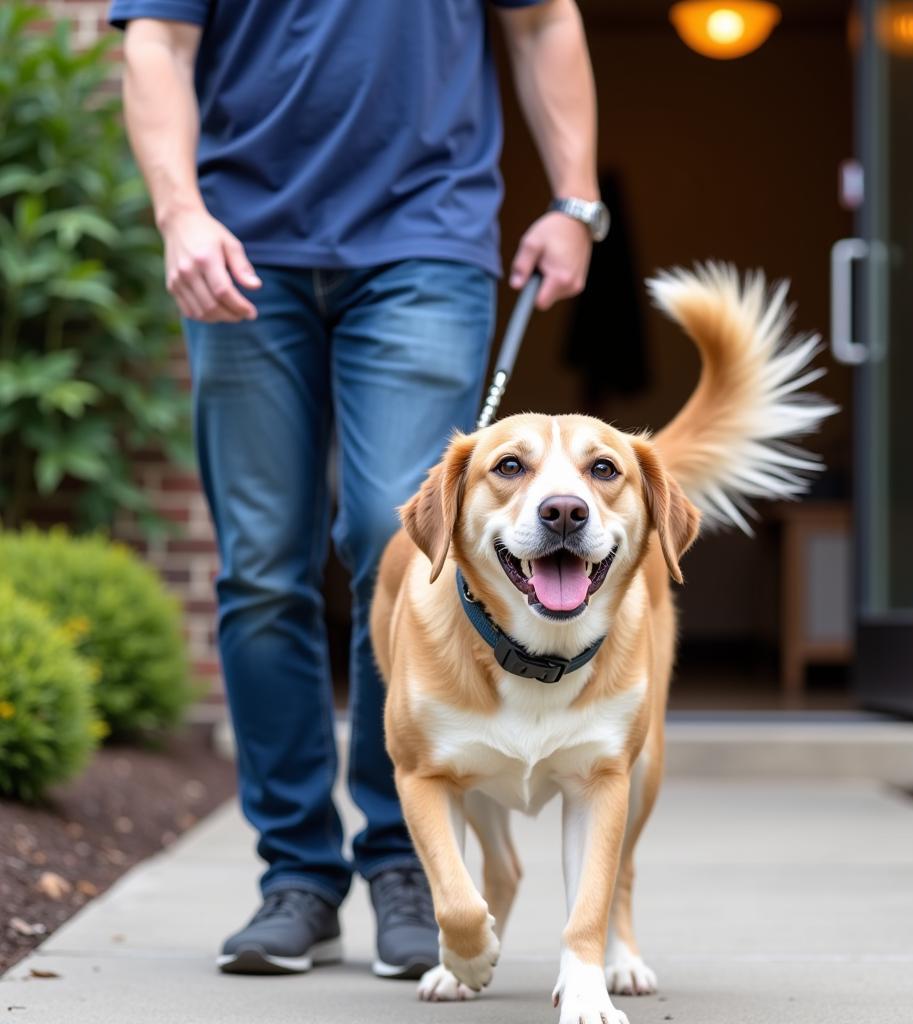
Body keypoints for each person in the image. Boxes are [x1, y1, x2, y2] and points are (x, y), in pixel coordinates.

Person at [109, 0, 609, 981]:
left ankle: (403, 859)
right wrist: (178, 212)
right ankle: (294, 874)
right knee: (260, 566)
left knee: (402, 540)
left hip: (424, 238)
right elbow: (155, 43)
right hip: (238, 247)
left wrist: (575, 200)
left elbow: (544, 20)